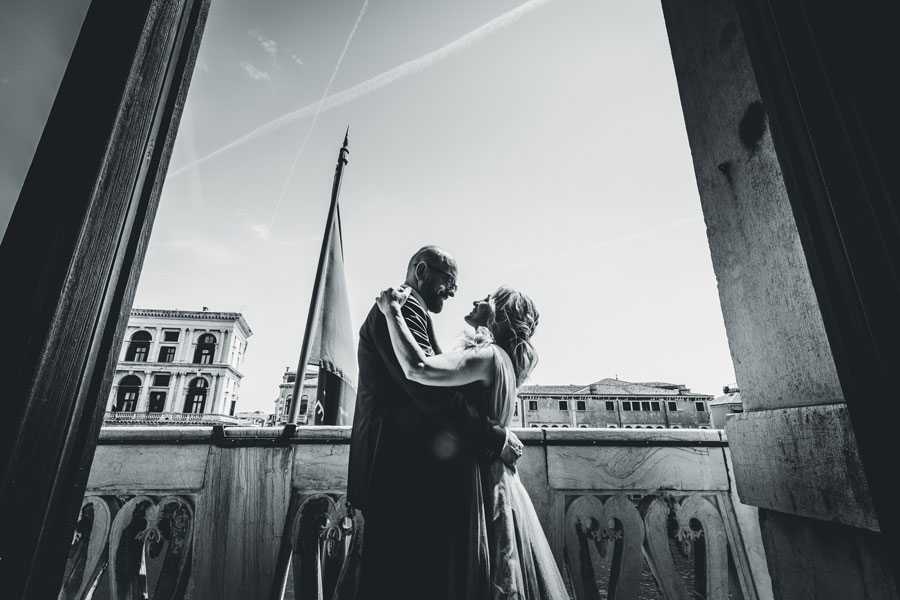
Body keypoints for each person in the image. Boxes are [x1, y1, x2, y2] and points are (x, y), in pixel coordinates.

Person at [346, 246, 525, 600]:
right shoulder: (405, 305)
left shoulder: (409, 308)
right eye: (449, 281)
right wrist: (493, 436)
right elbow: (426, 390)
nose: (455, 291)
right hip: (395, 472)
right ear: (422, 271)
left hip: (393, 471)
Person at [375, 283, 569, 599]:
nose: (477, 300)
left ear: (502, 316)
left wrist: (392, 311)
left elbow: (418, 368)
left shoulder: (488, 356)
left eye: (488, 299)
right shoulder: (505, 361)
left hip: (472, 481)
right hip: (498, 480)